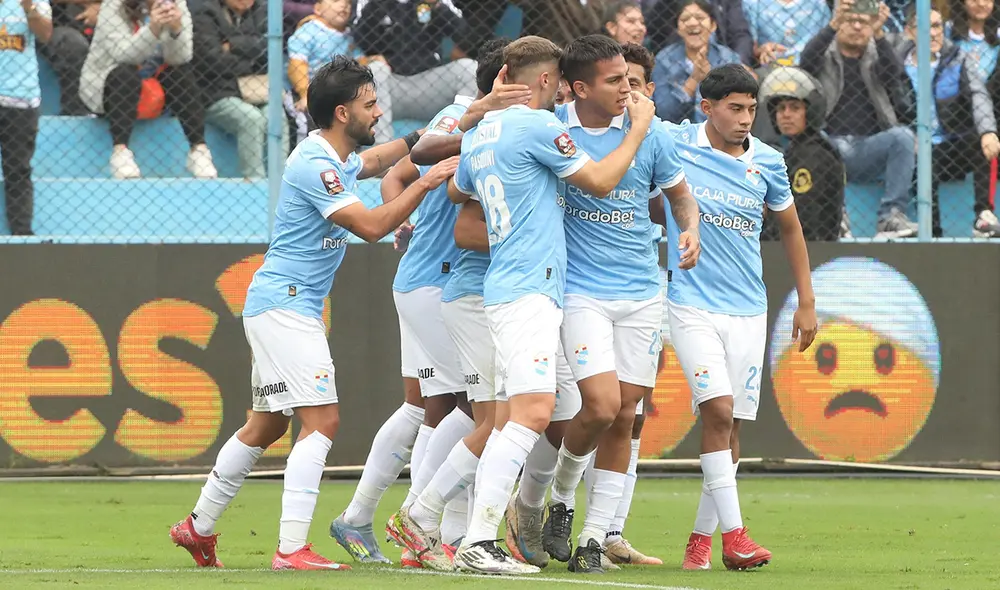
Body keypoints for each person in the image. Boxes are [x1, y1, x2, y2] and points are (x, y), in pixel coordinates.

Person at [168, 55, 458, 571]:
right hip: (286, 306)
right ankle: (290, 549)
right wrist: (427, 180)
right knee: (322, 421)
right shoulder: (314, 163)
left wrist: (443, 129)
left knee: (264, 426)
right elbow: (370, 226)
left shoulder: (337, 156)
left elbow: (381, 159)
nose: (377, 115)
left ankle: (197, 526)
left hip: (279, 303)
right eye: (370, 106)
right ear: (343, 113)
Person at [444, 35, 657, 575]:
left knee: (525, 415)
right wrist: (635, 131)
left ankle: (475, 531)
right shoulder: (540, 126)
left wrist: (484, 116)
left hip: (508, 287)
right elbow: (603, 181)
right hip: (529, 289)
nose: (563, 89)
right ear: (544, 81)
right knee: (531, 415)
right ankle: (476, 538)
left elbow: (456, 193)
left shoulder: (480, 132)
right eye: (559, 80)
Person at [327, 39, 530, 568]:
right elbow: (411, 163)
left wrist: (406, 217)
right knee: (477, 408)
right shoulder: (468, 118)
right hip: (440, 282)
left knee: (429, 406)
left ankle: (363, 516)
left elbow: (397, 176)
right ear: (507, 79)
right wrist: (407, 217)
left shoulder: (462, 116)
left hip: (425, 278)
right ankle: (427, 525)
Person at [504, 35, 700, 575]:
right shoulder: (553, 128)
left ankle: (592, 538)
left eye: (628, 78)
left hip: (642, 291)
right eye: (614, 80)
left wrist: (691, 228)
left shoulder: (652, 132)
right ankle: (560, 501)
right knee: (599, 406)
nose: (626, 88)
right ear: (579, 87)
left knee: (625, 416)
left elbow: (679, 193)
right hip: (579, 290)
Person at [660, 64, 817, 571]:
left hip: (749, 309)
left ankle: (700, 543)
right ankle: (737, 536)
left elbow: (791, 230)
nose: (746, 118)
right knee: (719, 412)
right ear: (707, 108)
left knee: (732, 430)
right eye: (735, 108)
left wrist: (807, 302)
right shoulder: (676, 144)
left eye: (751, 109)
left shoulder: (769, 162)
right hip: (689, 303)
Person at [799, 0, 918, 238]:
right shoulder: (826, 52)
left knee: (903, 137)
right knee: (816, 138)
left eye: (863, 21)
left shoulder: (877, 53)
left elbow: (893, 75)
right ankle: (836, 218)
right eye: (849, 21)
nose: (856, 26)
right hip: (830, 146)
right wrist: (832, 25)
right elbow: (806, 63)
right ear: (838, 24)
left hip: (870, 146)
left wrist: (880, 33)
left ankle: (891, 217)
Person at [80, 0, 217, 180]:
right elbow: (124, 55)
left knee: (180, 73)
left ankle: (198, 150)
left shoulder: (177, 4)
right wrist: (153, 29)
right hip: (111, 85)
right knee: (125, 74)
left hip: (154, 84)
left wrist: (176, 31)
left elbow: (181, 57)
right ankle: (120, 152)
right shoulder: (112, 5)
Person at [897, 6, 1000, 237]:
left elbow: (978, 94)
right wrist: (905, 135)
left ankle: (983, 216)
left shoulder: (957, 58)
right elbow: (888, 107)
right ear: (909, 32)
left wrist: (988, 131)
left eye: (936, 26)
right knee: (917, 156)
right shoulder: (897, 64)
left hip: (950, 143)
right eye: (924, 28)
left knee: (980, 139)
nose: (932, 33)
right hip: (915, 145)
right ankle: (931, 231)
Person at [758, 66, 845, 241]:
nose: (786, 115)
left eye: (795, 108)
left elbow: (803, 218)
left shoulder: (813, 156)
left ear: (810, 112)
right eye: (781, 108)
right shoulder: (796, 151)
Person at [0, 0, 50, 236]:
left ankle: (21, 233)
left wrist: (29, 9)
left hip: (20, 99)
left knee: (18, 169)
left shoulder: (35, 2)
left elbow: (45, 35)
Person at [652, 0, 743, 124]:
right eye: (685, 19)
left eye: (699, 17)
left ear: (713, 25)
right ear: (678, 28)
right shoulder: (663, 60)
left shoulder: (728, 59)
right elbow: (666, 113)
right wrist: (694, 80)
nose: (692, 23)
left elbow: (736, 108)